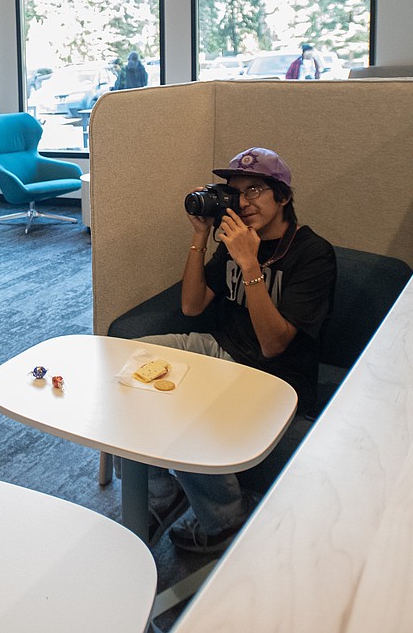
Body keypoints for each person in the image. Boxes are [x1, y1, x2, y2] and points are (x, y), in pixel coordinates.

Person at [139, 147, 336, 554]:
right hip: (217, 351)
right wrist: (199, 236)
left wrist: (250, 265)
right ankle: (162, 491)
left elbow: (273, 344)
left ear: (283, 196)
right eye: (235, 192)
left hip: (273, 376)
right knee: (129, 364)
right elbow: (192, 306)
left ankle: (225, 519)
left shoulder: (313, 254)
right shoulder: (233, 239)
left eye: (256, 191)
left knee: (186, 410)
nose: (243, 203)